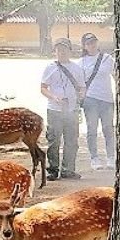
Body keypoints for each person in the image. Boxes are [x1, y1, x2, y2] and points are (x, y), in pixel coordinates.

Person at [41, 37, 85, 180]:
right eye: (59, 50)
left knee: (72, 141)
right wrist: (54, 97)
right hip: (54, 109)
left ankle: (68, 169)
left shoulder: (77, 69)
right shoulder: (50, 68)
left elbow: (82, 87)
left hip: (71, 109)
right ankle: (53, 169)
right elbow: (43, 88)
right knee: (54, 140)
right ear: (55, 51)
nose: (62, 52)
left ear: (70, 51)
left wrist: (79, 98)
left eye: (64, 49)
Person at [78, 32, 115, 169]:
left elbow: (115, 75)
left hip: (106, 99)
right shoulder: (81, 62)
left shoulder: (107, 59)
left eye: (93, 42)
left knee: (108, 128)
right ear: (84, 46)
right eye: (88, 43)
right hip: (90, 99)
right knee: (92, 129)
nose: (91, 45)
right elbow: (79, 83)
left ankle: (111, 157)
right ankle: (94, 158)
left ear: (97, 43)